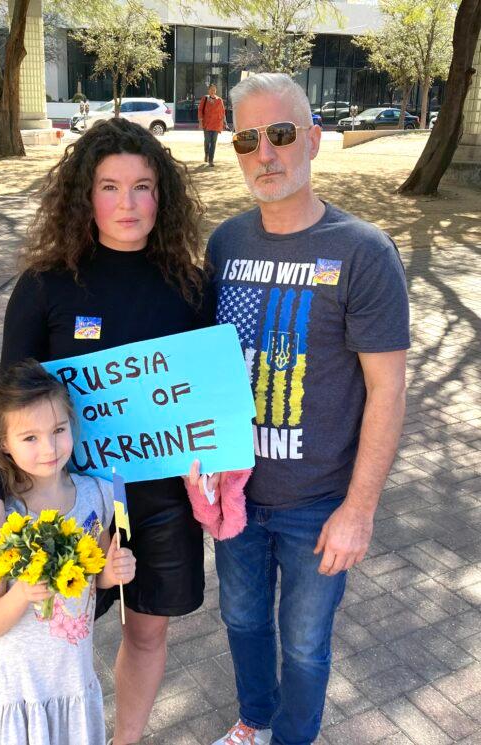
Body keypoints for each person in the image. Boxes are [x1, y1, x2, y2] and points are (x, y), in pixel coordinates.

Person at [0, 118, 214, 745]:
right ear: (84, 196)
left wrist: (220, 461)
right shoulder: (45, 287)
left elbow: (206, 395)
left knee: (148, 629)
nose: (128, 203)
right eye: (110, 186)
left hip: (162, 496)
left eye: (144, 186)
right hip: (68, 501)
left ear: (163, 196)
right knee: (52, 631)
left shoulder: (189, 285)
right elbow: (7, 399)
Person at [202, 72, 410, 745]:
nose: (266, 153)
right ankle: (254, 721)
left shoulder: (363, 252)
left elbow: (388, 390)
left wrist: (360, 508)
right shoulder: (226, 244)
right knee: (241, 621)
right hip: (234, 492)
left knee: (307, 645)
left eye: (282, 134)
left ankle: (293, 737)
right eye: (248, 138)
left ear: (313, 139)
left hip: (319, 503)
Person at [0, 361, 136, 745]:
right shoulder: (0, 518)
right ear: (4, 443)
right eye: (30, 438)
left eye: (58, 430)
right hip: (16, 689)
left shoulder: (96, 496)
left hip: (72, 679)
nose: (50, 448)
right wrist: (22, 593)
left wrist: (116, 571)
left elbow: (98, 576)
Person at [198, 83, 227, 167]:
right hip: (206, 124)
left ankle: (211, 160)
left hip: (216, 125)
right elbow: (200, 110)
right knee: (207, 141)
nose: (212, 91)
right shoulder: (205, 98)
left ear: (216, 90)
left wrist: (224, 122)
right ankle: (206, 154)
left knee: (213, 142)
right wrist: (200, 122)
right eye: (211, 90)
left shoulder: (219, 100)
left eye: (214, 90)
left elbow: (222, 112)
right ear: (208, 90)